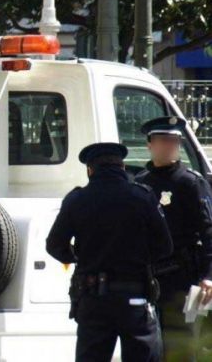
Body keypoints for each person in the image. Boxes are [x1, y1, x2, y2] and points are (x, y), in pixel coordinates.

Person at [46, 142, 173, 362]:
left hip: (94, 299)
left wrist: (78, 256)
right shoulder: (142, 196)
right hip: (135, 298)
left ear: (90, 170)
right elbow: (165, 246)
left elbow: (54, 245)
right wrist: (139, 258)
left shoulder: (77, 200)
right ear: (122, 167)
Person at [135, 116, 212, 360]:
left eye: (174, 141)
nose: (170, 146)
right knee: (150, 347)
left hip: (183, 278)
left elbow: (209, 232)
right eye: (164, 141)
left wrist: (209, 277)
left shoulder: (190, 183)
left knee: (182, 345)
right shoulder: (140, 184)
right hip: (149, 279)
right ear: (150, 144)